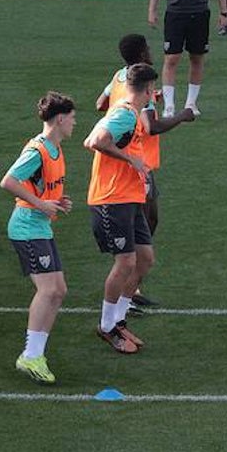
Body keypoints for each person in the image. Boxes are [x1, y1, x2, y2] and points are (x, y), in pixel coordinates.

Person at [95, 34, 196, 308]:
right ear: (141, 54)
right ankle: (128, 294)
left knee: (147, 222)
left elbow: (100, 104)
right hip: (138, 164)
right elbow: (153, 127)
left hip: (135, 163)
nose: (151, 51)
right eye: (148, 48)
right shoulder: (141, 94)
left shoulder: (119, 76)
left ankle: (129, 290)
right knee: (146, 223)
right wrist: (182, 116)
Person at [0, 92, 76, 384]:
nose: (74, 123)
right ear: (59, 119)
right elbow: (8, 181)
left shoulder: (55, 148)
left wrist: (56, 201)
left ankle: (36, 354)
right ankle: (30, 355)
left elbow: (43, 186)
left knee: (59, 290)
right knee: (47, 290)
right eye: (71, 117)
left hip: (41, 226)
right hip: (26, 227)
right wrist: (41, 204)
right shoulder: (38, 150)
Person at [84, 63, 160, 354]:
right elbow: (93, 141)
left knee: (145, 259)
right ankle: (106, 326)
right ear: (150, 90)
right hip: (111, 198)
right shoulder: (124, 114)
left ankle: (119, 319)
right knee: (126, 262)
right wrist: (131, 160)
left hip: (130, 197)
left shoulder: (131, 113)